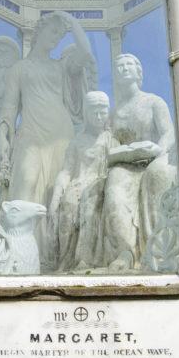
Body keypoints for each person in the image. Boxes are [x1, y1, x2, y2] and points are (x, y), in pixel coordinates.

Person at [0, 11, 94, 209]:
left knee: (58, 193)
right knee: (27, 179)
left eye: (60, 36)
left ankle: (52, 239)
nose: (56, 38)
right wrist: (2, 138)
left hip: (61, 134)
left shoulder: (61, 67)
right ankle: (19, 238)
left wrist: (73, 22)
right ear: (40, 31)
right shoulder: (19, 68)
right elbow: (9, 108)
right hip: (31, 133)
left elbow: (85, 52)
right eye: (53, 32)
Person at [102, 53, 177, 271]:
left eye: (128, 65)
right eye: (119, 66)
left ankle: (157, 250)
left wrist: (158, 150)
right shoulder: (114, 113)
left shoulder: (154, 102)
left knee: (157, 174)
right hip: (126, 164)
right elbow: (109, 144)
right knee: (114, 188)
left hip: (153, 159)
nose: (124, 69)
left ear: (138, 72)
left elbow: (169, 133)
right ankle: (126, 252)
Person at [48, 91, 112, 271]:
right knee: (67, 205)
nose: (99, 117)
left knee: (89, 206)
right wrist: (57, 192)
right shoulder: (77, 141)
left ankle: (86, 260)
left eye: (103, 112)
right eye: (94, 113)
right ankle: (66, 262)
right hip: (78, 183)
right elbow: (67, 170)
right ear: (86, 113)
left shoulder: (111, 138)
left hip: (101, 183)